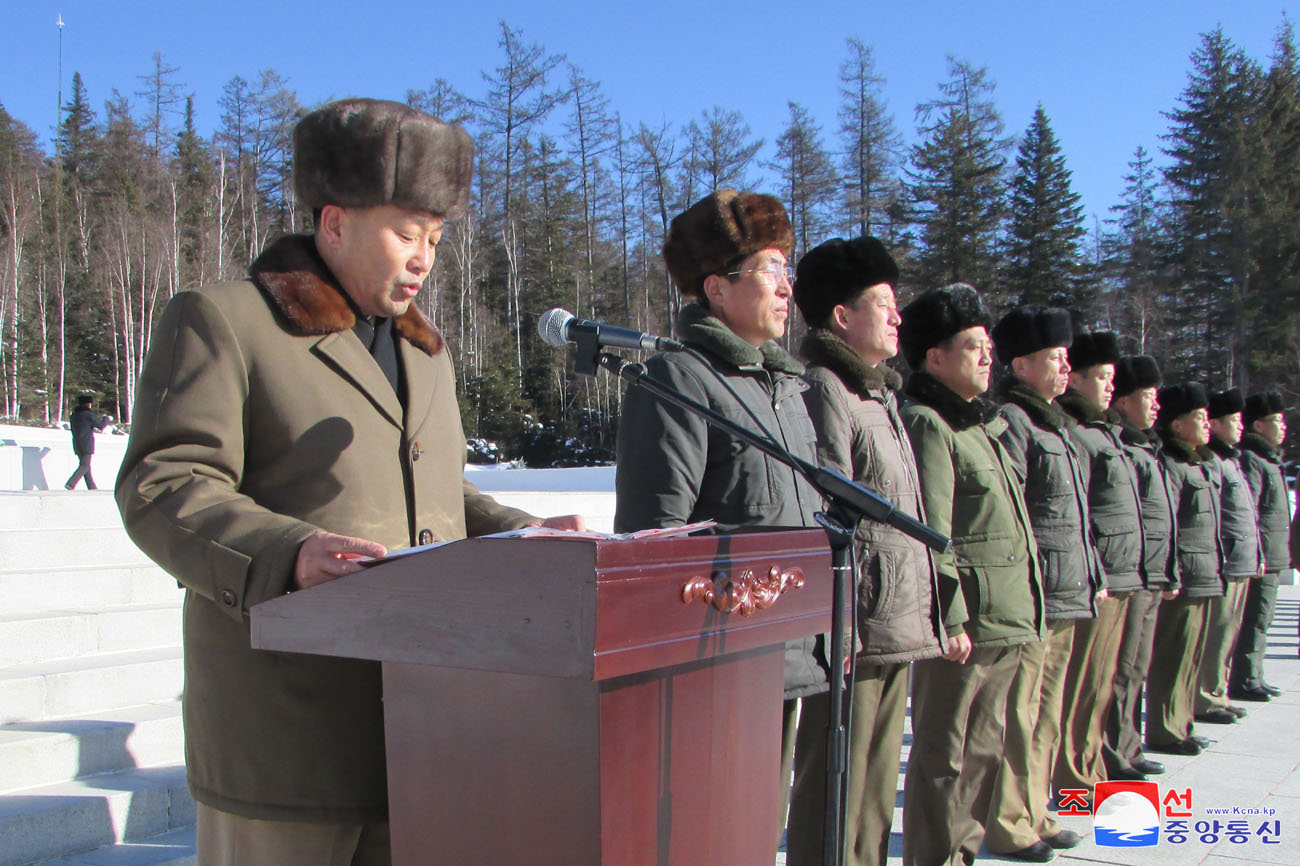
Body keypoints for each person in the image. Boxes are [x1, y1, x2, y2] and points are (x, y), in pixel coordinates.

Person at [116, 99, 582, 866]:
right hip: (290, 742)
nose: (425, 257)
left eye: (436, 238)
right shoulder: (225, 321)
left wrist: (524, 537)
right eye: (406, 233)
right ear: (334, 223)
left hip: (426, 734)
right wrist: (288, 553)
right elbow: (163, 485)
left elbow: (441, 498)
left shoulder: (426, 356)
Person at [611, 189, 825, 857]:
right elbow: (656, 539)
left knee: (757, 832)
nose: (787, 285)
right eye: (770, 267)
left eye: (788, 266)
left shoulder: (788, 390)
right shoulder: (679, 380)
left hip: (787, 653)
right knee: (708, 835)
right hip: (715, 666)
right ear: (717, 288)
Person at [786, 237, 945, 866]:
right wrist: (842, 621)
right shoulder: (827, 388)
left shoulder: (880, 394)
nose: (898, 316)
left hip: (897, 619)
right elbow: (831, 513)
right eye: (884, 304)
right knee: (837, 791)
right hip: (858, 623)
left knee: (875, 797)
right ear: (842, 317)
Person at [897, 284, 1045, 866]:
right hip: (968, 625)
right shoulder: (930, 424)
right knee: (945, 758)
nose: (989, 357)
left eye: (989, 346)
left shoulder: (980, 425)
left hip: (1007, 618)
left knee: (984, 755)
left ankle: (964, 853)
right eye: (974, 346)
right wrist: (948, 615)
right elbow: (933, 532)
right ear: (935, 356)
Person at [984, 306, 1099, 863]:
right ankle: (1007, 820)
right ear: (1022, 364)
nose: (1065, 367)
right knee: (1019, 710)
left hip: (1066, 587)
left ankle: (1037, 807)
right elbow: (1013, 513)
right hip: (1035, 590)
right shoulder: (1012, 420)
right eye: (1056, 358)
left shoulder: (1060, 425)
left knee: (1049, 709)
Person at [1054, 331, 1144, 797]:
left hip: (1113, 571)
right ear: (1076, 379)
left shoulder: (1106, 432)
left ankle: (1089, 768)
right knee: (1078, 687)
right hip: (1093, 573)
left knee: (1100, 684)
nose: (1110, 386)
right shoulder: (1074, 431)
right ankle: (1071, 777)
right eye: (1102, 378)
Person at [1102, 355, 1175, 780]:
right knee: (1119, 670)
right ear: (1126, 401)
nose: (1155, 406)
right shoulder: (1123, 445)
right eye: (1148, 397)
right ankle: (1113, 752)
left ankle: (1129, 744)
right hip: (1125, 571)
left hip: (1149, 569)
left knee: (1136, 667)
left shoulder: (1147, 446)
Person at [1146, 382, 1224, 756]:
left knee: (1192, 657)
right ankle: (1164, 728)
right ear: (1177, 425)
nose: (1207, 425)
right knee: (1173, 656)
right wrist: (1171, 571)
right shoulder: (1172, 465)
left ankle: (1182, 721)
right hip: (1187, 571)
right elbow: (1171, 524)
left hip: (1206, 570)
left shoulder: (1198, 462)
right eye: (1199, 417)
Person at [1195, 388, 1260, 723]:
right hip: (1226, 558)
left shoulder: (1233, 459)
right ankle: (1206, 696)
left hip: (1242, 558)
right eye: (1233, 421)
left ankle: (1219, 691)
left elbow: (1248, 512)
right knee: (1217, 631)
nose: (1239, 427)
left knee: (1230, 630)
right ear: (1216, 424)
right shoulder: (1214, 462)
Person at [1231, 390, 1292, 700]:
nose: (1283, 427)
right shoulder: (1253, 460)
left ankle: (1254, 673)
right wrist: (1255, 553)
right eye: (1276, 421)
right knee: (1254, 618)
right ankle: (1244, 678)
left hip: (1273, 553)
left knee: (1263, 617)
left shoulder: (1270, 459)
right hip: (1262, 554)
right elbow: (1250, 510)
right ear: (1257, 425)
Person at [65, 394, 112, 490]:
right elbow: (101, 426)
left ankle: (92, 488)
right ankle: (71, 483)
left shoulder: (73, 415)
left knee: (86, 466)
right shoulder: (89, 415)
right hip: (87, 443)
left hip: (77, 443)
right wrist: (106, 419)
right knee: (85, 466)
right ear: (89, 404)